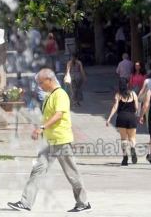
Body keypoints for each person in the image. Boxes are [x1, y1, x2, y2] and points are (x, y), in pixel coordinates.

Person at [7, 68, 91, 213]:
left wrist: (42, 127)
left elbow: (58, 114)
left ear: (49, 80)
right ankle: (25, 203)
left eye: (41, 82)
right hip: (50, 141)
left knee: (72, 173)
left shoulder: (60, 95)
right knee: (37, 170)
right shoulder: (49, 95)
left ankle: (83, 203)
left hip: (61, 140)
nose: (39, 85)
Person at [106, 78, 139, 166]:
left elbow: (115, 107)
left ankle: (125, 158)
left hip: (121, 117)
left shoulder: (118, 95)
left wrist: (109, 118)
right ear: (127, 84)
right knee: (132, 138)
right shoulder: (133, 94)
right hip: (131, 117)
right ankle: (132, 148)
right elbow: (136, 107)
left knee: (124, 139)